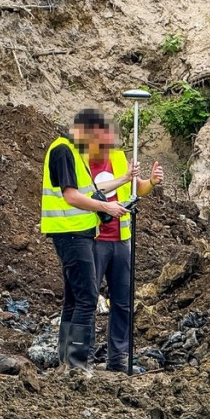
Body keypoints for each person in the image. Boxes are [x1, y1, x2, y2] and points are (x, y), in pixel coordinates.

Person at [41, 109, 127, 370]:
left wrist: (123, 180)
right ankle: (78, 365)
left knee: (75, 299)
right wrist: (107, 209)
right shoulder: (64, 151)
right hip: (71, 232)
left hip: (78, 232)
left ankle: (68, 362)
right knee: (87, 298)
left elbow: (90, 191)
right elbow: (71, 196)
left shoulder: (74, 154)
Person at [89, 126, 163, 373]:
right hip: (95, 238)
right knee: (87, 299)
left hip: (121, 239)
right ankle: (83, 358)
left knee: (122, 301)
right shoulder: (83, 163)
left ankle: (118, 358)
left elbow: (136, 189)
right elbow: (87, 194)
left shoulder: (119, 158)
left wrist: (150, 182)